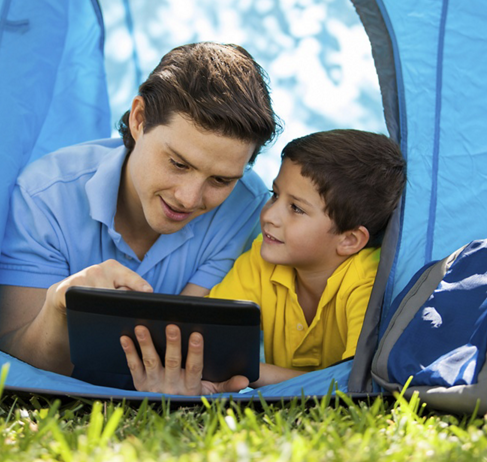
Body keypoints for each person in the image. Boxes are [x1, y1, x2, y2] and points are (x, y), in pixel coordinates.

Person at [0, 42, 280, 392]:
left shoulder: (246, 206)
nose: (189, 198)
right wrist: (59, 308)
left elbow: (188, 346)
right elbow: (12, 365)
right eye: (178, 163)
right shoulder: (44, 196)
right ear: (139, 120)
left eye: (220, 180)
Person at [121, 129, 407, 393]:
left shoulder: (368, 279)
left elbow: (360, 382)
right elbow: (205, 340)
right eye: (275, 195)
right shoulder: (262, 259)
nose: (269, 216)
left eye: (296, 208)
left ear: (349, 240)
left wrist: (251, 372)